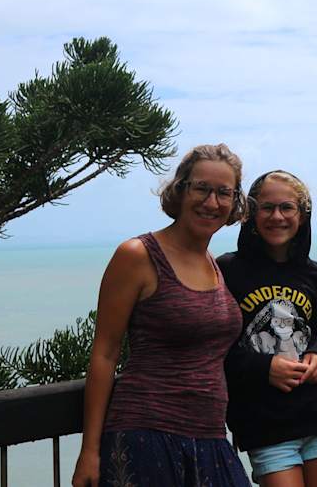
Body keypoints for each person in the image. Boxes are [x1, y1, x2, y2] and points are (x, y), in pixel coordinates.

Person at [71, 144, 251, 487]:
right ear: (181, 191)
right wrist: (90, 451)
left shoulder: (213, 263)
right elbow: (105, 353)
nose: (211, 202)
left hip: (210, 436)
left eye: (223, 193)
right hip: (146, 434)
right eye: (201, 188)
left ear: (233, 202)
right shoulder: (138, 255)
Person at [217, 170, 317, 486]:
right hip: (265, 424)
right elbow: (214, 347)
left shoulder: (316, 276)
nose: (277, 216)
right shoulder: (227, 271)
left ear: (302, 215)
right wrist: (263, 367)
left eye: (287, 208)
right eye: (266, 207)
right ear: (251, 213)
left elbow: (311, 335)